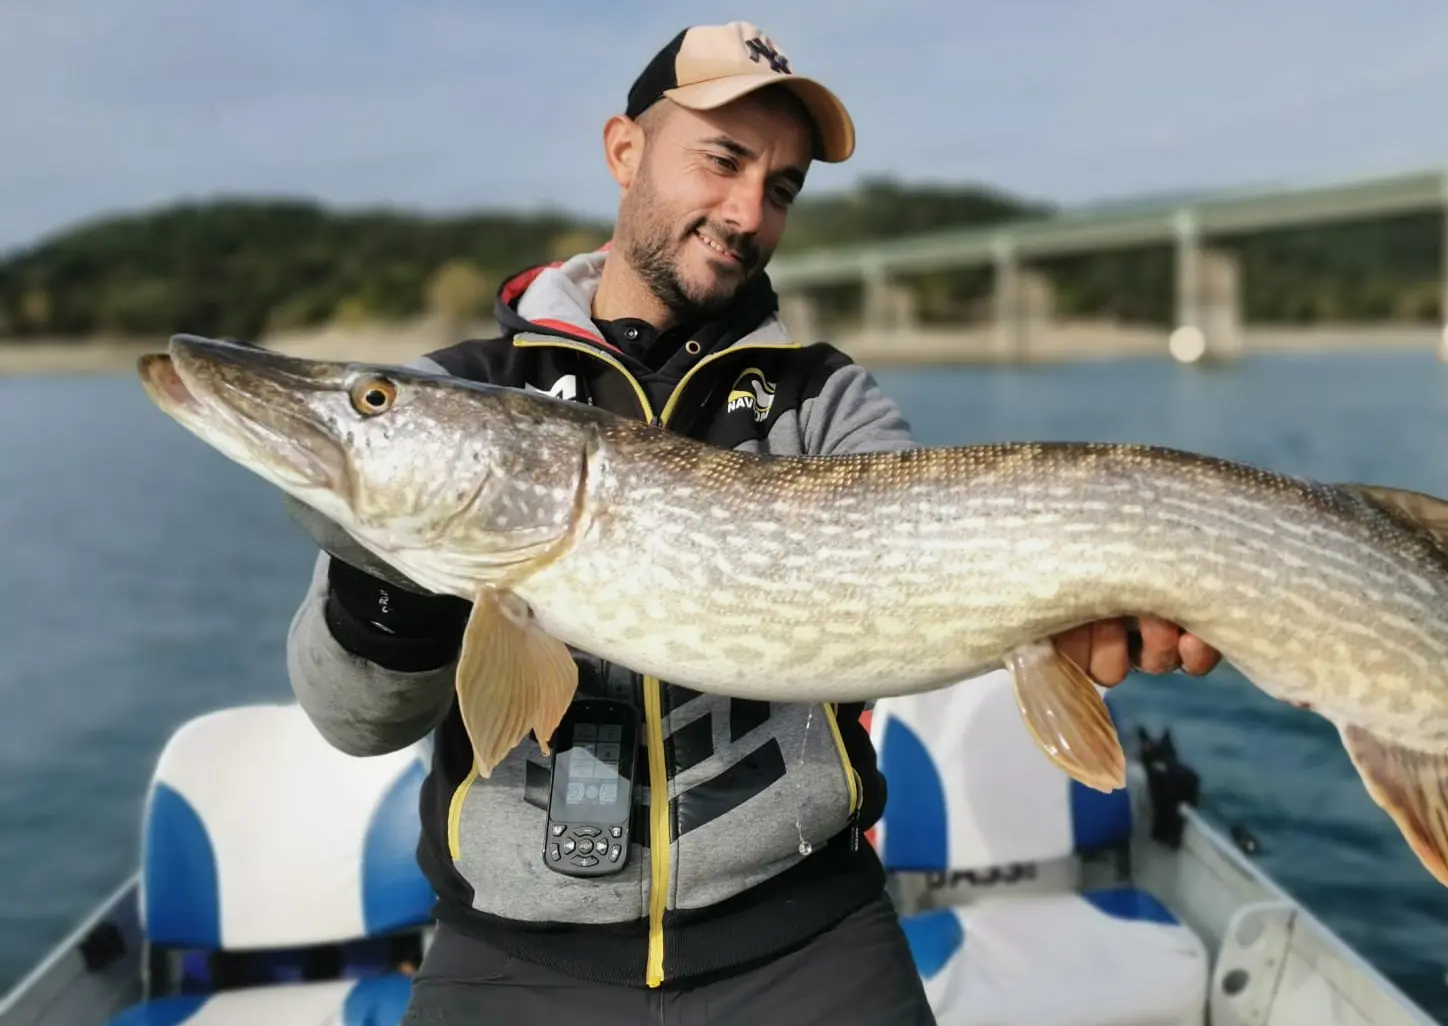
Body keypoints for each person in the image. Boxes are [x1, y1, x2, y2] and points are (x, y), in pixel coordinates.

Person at [285, 19, 1222, 1025]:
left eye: (780, 188)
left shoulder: (825, 401)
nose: (746, 212)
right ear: (625, 149)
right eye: (724, 161)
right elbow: (353, 722)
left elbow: (942, 566)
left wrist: (1071, 615)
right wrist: (391, 581)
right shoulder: (466, 389)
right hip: (514, 954)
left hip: (807, 936)